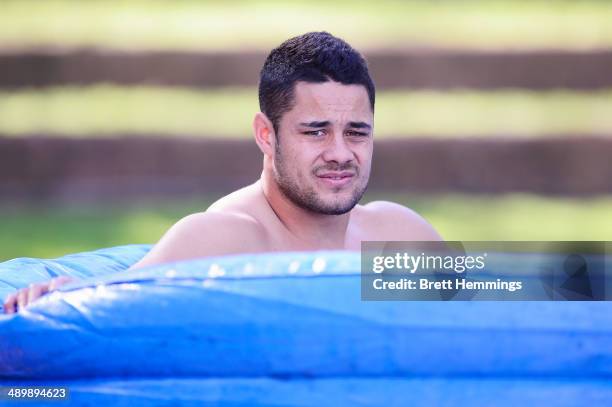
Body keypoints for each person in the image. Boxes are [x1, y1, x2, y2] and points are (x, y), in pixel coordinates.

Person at [3, 31, 442, 314]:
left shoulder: (394, 232)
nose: (340, 153)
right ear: (266, 135)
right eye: (316, 132)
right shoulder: (225, 240)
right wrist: (51, 300)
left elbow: (499, 317)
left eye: (357, 132)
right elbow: (99, 308)